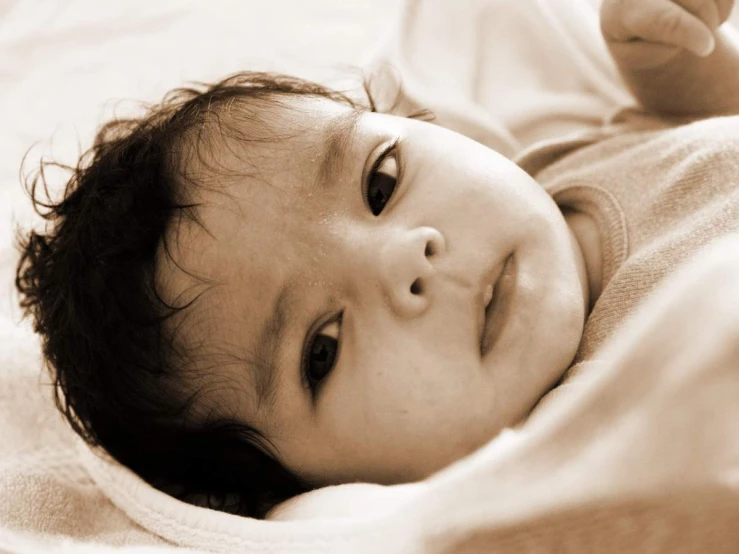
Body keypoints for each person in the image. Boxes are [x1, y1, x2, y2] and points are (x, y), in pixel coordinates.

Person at [14, 0, 739, 520]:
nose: (408, 260)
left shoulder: (574, 154)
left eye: (379, 183)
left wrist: (675, 71)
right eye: (321, 350)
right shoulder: (583, 459)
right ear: (309, 487)